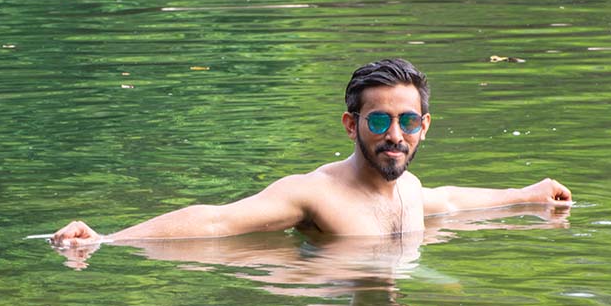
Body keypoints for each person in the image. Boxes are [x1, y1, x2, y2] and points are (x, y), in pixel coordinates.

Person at [51, 58, 572, 247]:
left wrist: (527, 195)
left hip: (394, 285)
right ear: (351, 125)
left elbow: (453, 201)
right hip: (325, 290)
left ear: (424, 126)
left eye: (408, 121)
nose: (395, 134)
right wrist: (108, 240)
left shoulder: (411, 190)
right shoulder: (314, 194)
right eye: (379, 120)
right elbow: (215, 221)